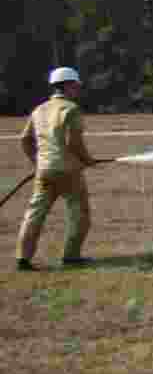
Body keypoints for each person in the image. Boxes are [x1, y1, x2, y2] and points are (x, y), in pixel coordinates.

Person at [16, 67, 98, 271]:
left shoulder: (39, 109)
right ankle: (71, 256)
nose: (78, 90)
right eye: (76, 86)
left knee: (34, 214)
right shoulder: (71, 109)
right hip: (69, 171)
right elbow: (73, 143)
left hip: (44, 172)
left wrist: (38, 163)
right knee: (80, 214)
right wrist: (87, 160)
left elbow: (25, 140)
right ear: (68, 85)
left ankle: (22, 258)